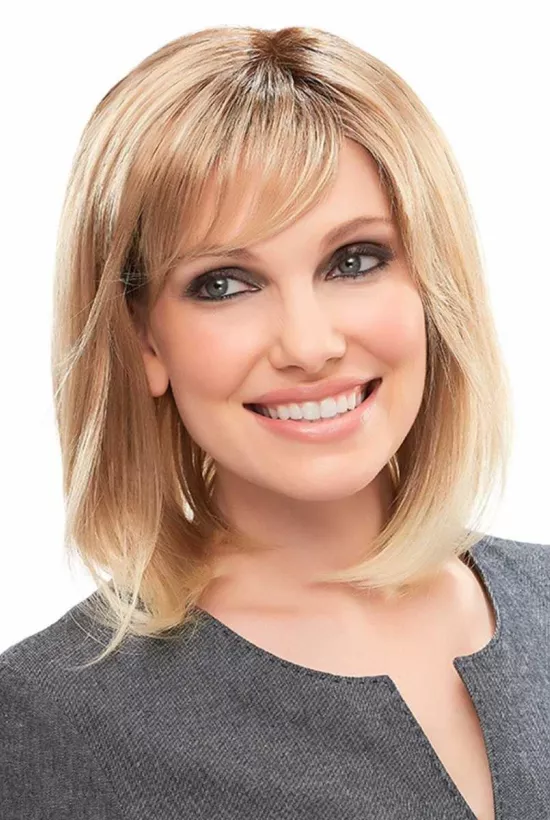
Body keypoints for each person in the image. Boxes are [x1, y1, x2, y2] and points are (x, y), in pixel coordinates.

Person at [0, 24, 548, 820]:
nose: (309, 345)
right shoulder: (46, 724)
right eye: (225, 283)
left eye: (354, 261)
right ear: (143, 339)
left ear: (433, 283)